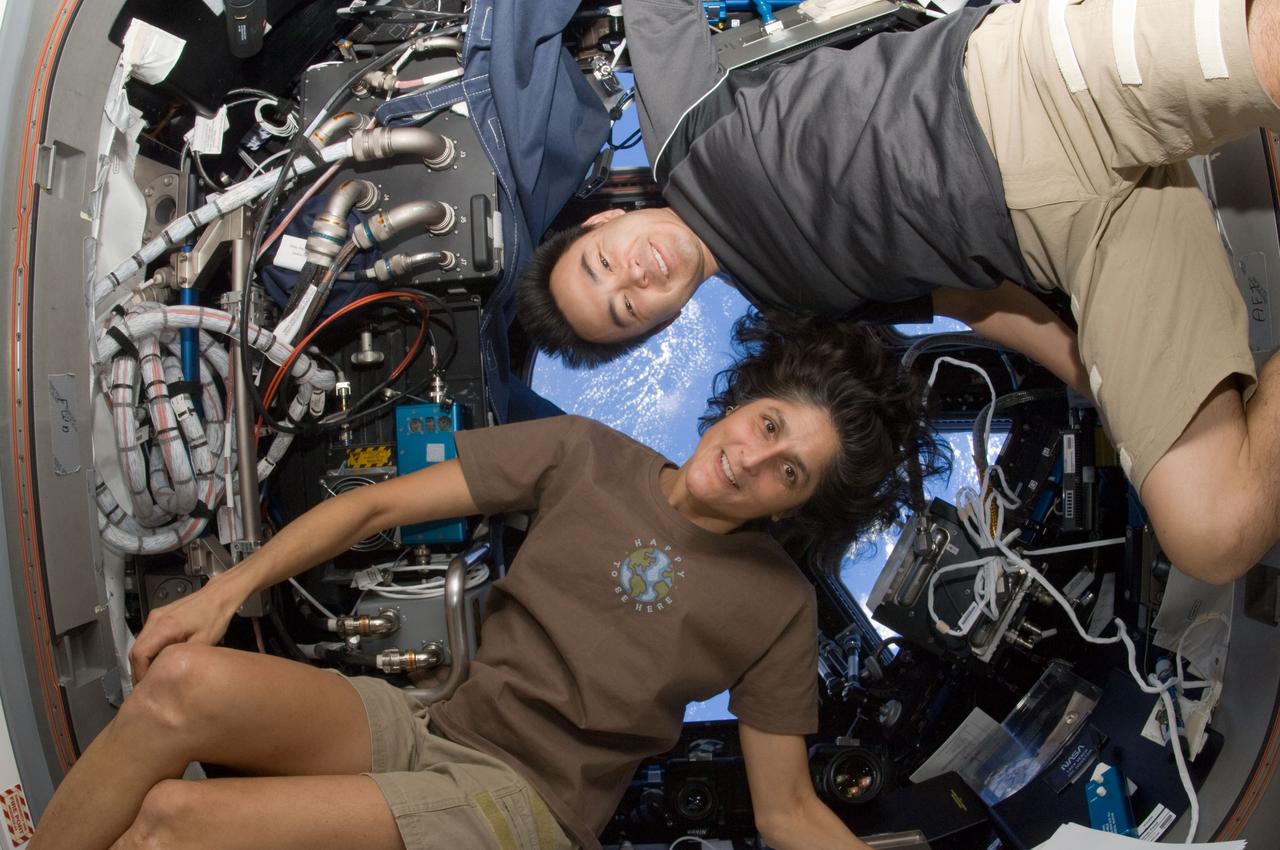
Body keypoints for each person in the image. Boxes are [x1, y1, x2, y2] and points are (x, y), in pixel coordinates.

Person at [29, 313, 942, 850]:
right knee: (180, 684)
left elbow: (787, 813)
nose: (755, 459)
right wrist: (223, 592)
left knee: (177, 822)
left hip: (528, 808)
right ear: (743, 399)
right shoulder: (584, 454)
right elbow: (373, 508)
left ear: (797, 507)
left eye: (790, 471)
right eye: (769, 423)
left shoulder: (776, 605)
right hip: (435, 724)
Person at [517, 0, 1280, 586]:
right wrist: (1103, 379)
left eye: (600, 263)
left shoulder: (682, 132)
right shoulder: (798, 311)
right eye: (624, 310)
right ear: (656, 324)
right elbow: (977, 306)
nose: (633, 278)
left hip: (1031, 97)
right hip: (1086, 242)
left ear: (607, 219)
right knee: (1212, 533)